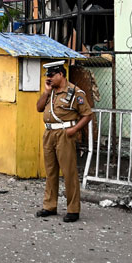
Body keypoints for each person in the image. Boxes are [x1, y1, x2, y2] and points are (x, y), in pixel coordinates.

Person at [35, 60, 93, 222]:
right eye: (47, 75)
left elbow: (87, 114)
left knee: (69, 172)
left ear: (61, 74)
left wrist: (75, 129)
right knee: (50, 171)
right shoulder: (51, 92)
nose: (49, 78)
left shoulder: (75, 92)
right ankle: (49, 205)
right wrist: (46, 92)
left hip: (65, 133)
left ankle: (73, 209)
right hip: (49, 133)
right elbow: (39, 108)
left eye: (52, 75)